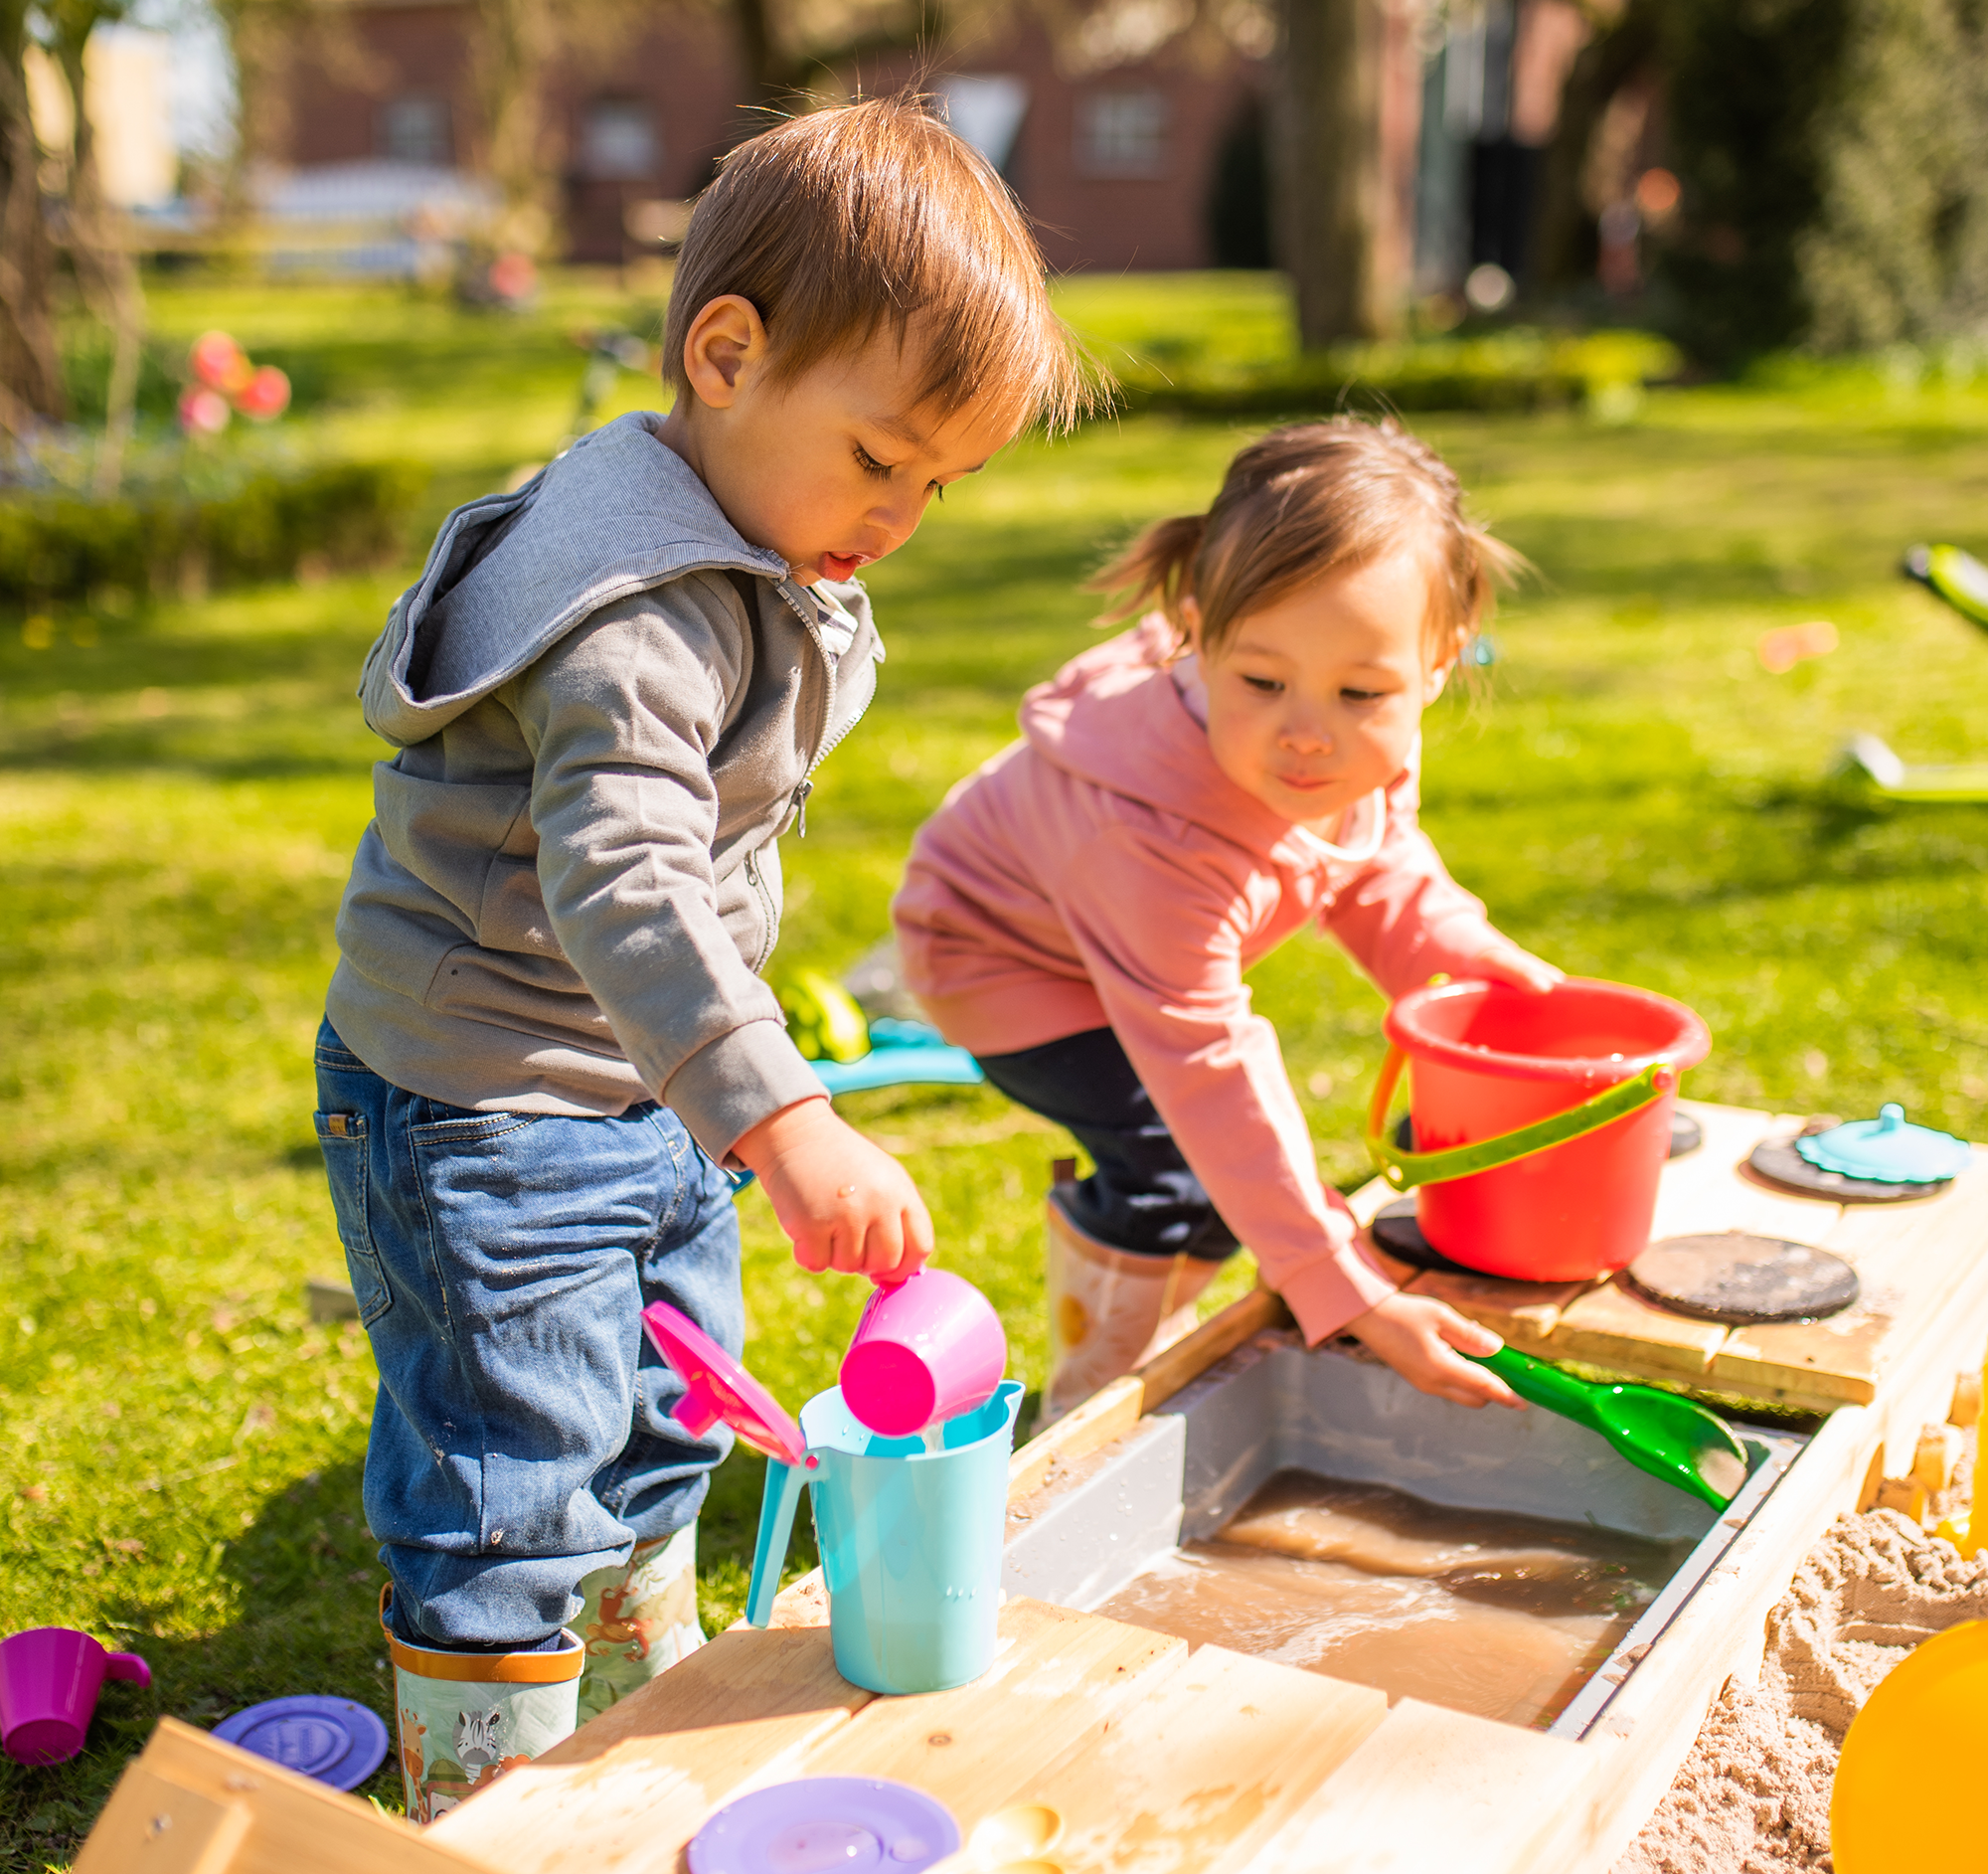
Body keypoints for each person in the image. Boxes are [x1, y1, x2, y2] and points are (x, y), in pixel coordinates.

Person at [313, 94, 1091, 1819]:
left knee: (674, 1406)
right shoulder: (640, 608)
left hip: (644, 1091)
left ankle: (629, 1707)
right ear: (725, 354)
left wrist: (724, 1109)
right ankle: (498, 1809)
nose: (900, 516)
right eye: (881, 457)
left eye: (938, 486)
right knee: (515, 1479)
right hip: (489, 1104)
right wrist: (785, 1116)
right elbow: (628, 878)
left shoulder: (747, 537)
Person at [893, 417, 1560, 1428]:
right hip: (1002, 958)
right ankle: (1088, 1409)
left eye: (1360, 690)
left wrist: (1462, 960)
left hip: (1118, 945)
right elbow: (1209, 1066)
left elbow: (1375, 864)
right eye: (1260, 680)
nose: (1307, 730)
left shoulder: (1361, 746)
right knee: (1175, 1164)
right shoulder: (1148, 836)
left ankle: (1168, 1325)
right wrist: (1342, 1282)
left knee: (1210, 1185)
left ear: (1437, 661)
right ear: (1197, 633)